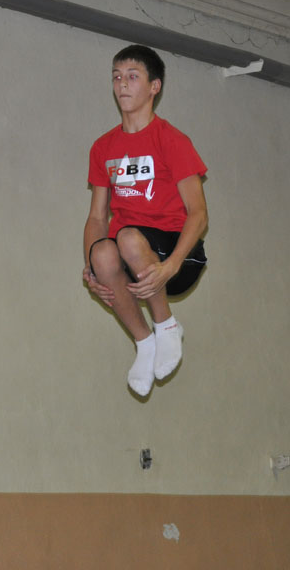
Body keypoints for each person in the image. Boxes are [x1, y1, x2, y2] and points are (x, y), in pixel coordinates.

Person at [82, 45, 208, 396]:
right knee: (103, 252)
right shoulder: (103, 147)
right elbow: (96, 216)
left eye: (132, 77)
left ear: (154, 87)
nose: (122, 84)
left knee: (127, 238)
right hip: (130, 250)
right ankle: (144, 342)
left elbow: (199, 213)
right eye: (117, 77)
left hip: (178, 254)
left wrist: (172, 265)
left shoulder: (172, 140)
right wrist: (91, 269)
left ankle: (166, 326)